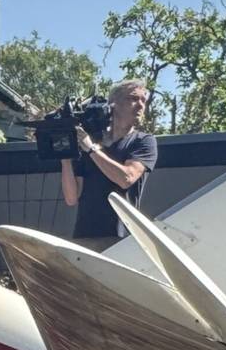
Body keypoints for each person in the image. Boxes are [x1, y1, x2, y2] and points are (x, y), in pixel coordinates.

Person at [59, 80, 159, 251]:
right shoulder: (90, 141)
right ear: (114, 104)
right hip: (84, 237)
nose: (141, 105)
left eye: (144, 100)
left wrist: (91, 149)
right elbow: (71, 197)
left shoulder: (143, 141)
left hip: (121, 239)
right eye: (133, 99)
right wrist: (65, 158)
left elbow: (126, 178)